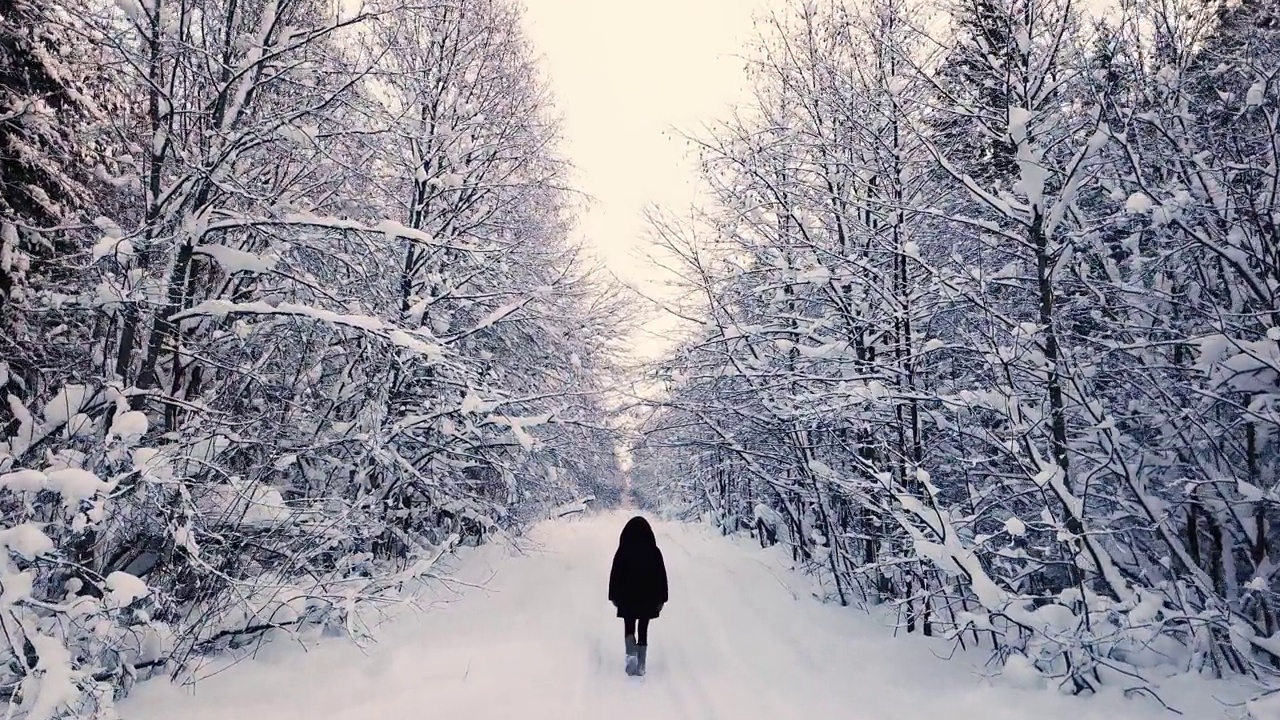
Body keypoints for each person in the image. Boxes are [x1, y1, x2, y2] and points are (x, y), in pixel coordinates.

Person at [608, 515, 668, 676]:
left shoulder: (623, 551)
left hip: (627, 596)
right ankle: (641, 661)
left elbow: (615, 574)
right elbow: (661, 575)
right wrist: (663, 597)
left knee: (629, 624)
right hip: (648, 597)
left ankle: (631, 653)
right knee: (643, 626)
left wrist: (613, 595)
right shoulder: (654, 551)